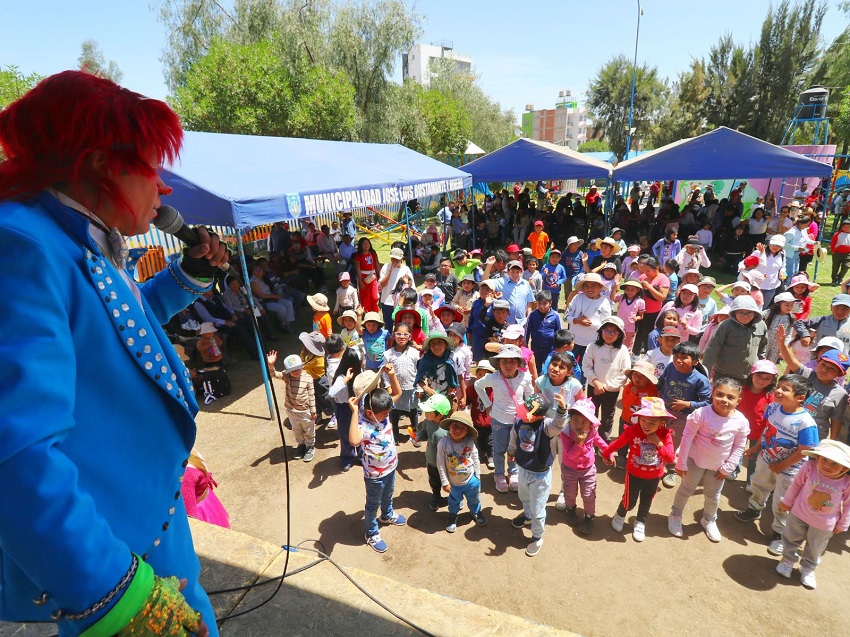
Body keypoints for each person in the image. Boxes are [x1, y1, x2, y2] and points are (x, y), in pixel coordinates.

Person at [0, 70, 238, 635]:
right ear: (102, 162)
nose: (165, 189)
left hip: (150, 527)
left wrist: (189, 276)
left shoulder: (77, 234)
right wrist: (111, 594)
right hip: (118, 560)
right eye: (152, 167)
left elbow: (113, 338)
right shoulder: (23, 244)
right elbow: (16, 452)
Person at [736, 374, 818, 557]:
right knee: (758, 484)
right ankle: (754, 508)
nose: (778, 391)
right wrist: (756, 447)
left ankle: (780, 534)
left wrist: (782, 466)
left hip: (790, 470)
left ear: (800, 398)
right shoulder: (773, 407)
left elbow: (805, 450)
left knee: (783, 501)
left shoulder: (805, 422)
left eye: (785, 389)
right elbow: (767, 429)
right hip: (766, 458)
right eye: (778, 387)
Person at [668, 378, 749, 542]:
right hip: (694, 460)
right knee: (686, 489)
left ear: (738, 401)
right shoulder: (701, 414)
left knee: (713, 495)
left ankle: (709, 519)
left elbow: (740, 445)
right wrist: (681, 462)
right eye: (720, 394)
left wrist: (729, 467)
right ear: (712, 394)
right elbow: (687, 437)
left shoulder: (741, 421)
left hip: (718, 467)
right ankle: (675, 514)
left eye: (730, 397)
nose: (724, 400)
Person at [775, 439, 850, 590]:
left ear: (844, 467)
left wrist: (843, 523)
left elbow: (848, 504)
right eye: (825, 459)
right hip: (799, 513)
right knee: (790, 537)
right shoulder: (809, 467)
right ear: (818, 457)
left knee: (816, 546)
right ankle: (787, 560)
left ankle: (808, 568)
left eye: (835, 463)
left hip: (824, 523)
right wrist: (787, 502)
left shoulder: (847, 482)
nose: (828, 465)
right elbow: (796, 484)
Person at [348, 364, 406, 553]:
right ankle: (371, 532)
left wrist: (392, 375)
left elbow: (398, 393)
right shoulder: (363, 424)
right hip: (374, 475)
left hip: (391, 467)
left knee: (388, 495)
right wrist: (355, 412)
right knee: (372, 504)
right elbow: (354, 441)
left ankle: (387, 515)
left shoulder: (382, 412)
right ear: (371, 413)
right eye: (386, 414)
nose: (388, 416)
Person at [602, 398, 676, 543]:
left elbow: (671, 457)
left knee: (646, 500)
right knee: (629, 500)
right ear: (639, 418)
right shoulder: (633, 430)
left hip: (654, 476)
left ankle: (640, 522)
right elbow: (618, 443)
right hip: (634, 474)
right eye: (643, 421)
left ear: (662, 422)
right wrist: (606, 453)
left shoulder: (665, 434)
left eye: (652, 423)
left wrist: (659, 444)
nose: (646, 426)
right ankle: (620, 514)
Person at [507, 392, 568, 557]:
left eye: (529, 413)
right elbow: (514, 436)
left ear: (540, 416)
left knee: (538, 508)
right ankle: (527, 516)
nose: (524, 415)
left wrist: (562, 409)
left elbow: (558, 424)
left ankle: (537, 536)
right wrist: (511, 451)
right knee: (524, 497)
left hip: (540, 475)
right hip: (523, 469)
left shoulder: (546, 426)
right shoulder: (520, 421)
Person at [475, 344, 535, 493]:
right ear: (498, 363)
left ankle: (513, 473)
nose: (508, 365)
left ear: (519, 363)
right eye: (504, 362)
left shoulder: (525, 377)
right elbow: (478, 385)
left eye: (512, 361)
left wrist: (530, 413)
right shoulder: (493, 377)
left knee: (514, 449)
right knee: (499, 449)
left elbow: (530, 396)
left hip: (519, 421)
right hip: (499, 421)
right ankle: (499, 474)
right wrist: (488, 404)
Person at [560, 398, 608, 535]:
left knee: (589, 494)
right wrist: (579, 443)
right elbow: (570, 455)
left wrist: (608, 452)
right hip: (570, 468)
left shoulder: (592, 430)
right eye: (575, 420)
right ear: (570, 419)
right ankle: (570, 509)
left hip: (588, 468)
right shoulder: (566, 432)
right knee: (570, 492)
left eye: (584, 422)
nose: (579, 425)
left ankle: (589, 517)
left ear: (591, 423)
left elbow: (598, 440)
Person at [438, 410, 487, 533]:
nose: (457, 430)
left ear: (467, 431)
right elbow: (440, 463)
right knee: (454, 501)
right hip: (453, 482)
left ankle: (475, 511)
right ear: (449, 425)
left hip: (471, 480)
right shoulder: (443, 443)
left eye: (462, 428)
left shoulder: (470, 442)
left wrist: (478, 477)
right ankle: (453, 515)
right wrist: (445, 482)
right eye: (455, 425)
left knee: (474, 498)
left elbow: (475, 458)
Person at [583, 317, 631, 442]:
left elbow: (625, 372)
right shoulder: (592, 346)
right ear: (601, 331)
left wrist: (606, 386)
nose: (609, 335)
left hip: (611, 390)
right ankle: (589, 438)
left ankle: (603, 440)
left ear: (620, 334)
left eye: (614, 332)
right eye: (606, 330)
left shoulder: (623, 350)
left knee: (607, 416)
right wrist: (596, 382)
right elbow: (586, 366)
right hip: (594, 386)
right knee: (591, 412)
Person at [702, 296, 768, 384]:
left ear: (755, 313)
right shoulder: (725, 326)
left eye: (749, 313)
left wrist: (759, 369)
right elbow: (712, 350)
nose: (745, 316)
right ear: (734, 313)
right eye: (741, 313)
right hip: (725, 374)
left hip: (749, 375)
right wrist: (704, 374)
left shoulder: (761, 325)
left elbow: (762, 349)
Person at [267, 352, 317, 462]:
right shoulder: (287, 376)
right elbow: (274, 374)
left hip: (305, 410)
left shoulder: (308, 378)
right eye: (292, 370)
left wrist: (313, 410)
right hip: (291, 410)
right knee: (296, 429)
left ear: (301, 367)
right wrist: (271, 365)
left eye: (297, 369)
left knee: (308, 430)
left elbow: (311, 395)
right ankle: (301, 445)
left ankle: (310, 446)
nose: (295, 372)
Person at [383, 323, 420, 444]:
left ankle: (415, 434)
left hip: (411, 388)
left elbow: (419, 371)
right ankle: (395, 435)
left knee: (413, 412)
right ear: (394, 335)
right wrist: (388, 387)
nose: (401, 337)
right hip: (395, 391)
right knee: (394, 413)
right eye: (398, 334)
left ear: (410, 337)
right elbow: (384, 373)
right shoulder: (388, 354)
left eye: (405, 334)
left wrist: (419, 388)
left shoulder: (414, 353)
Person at [182, 449, 230, 529]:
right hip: (206, 501)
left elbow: (192, 519)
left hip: (199, 512)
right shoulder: (188, 450)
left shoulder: (185, 475)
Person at [353, 237, 381, 314]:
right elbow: (358, 269)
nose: (366, 245)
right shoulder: (358, 256)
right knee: (366, 297)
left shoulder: (373, 253)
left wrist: (381, 275)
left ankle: (375, 310)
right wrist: (361, 282)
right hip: (363, 278)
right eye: (364, 244)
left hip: (373, 276)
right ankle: (368, 312)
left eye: (367, 243)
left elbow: (377, 264)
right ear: (360, 245)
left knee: (375, 297)